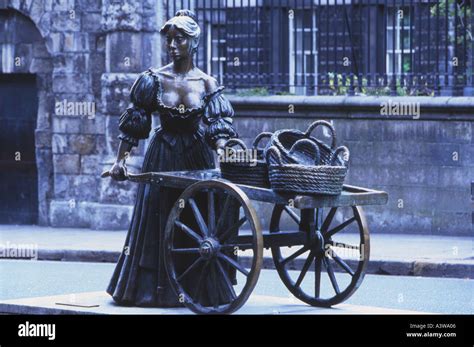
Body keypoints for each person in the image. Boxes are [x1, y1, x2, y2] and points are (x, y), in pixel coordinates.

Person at [104, 9, 238, 307]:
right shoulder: (153, 79)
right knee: (159, 218)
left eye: (179, 39)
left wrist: (222, 151)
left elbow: (219, 128)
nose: (172, 45)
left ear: (193, 42)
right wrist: (120, 161)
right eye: (169, 39)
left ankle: (198, 288)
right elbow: (136, 122)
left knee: (198, 218)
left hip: (197, 157)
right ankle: (153, 290)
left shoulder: (207, 83)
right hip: (163, 155)